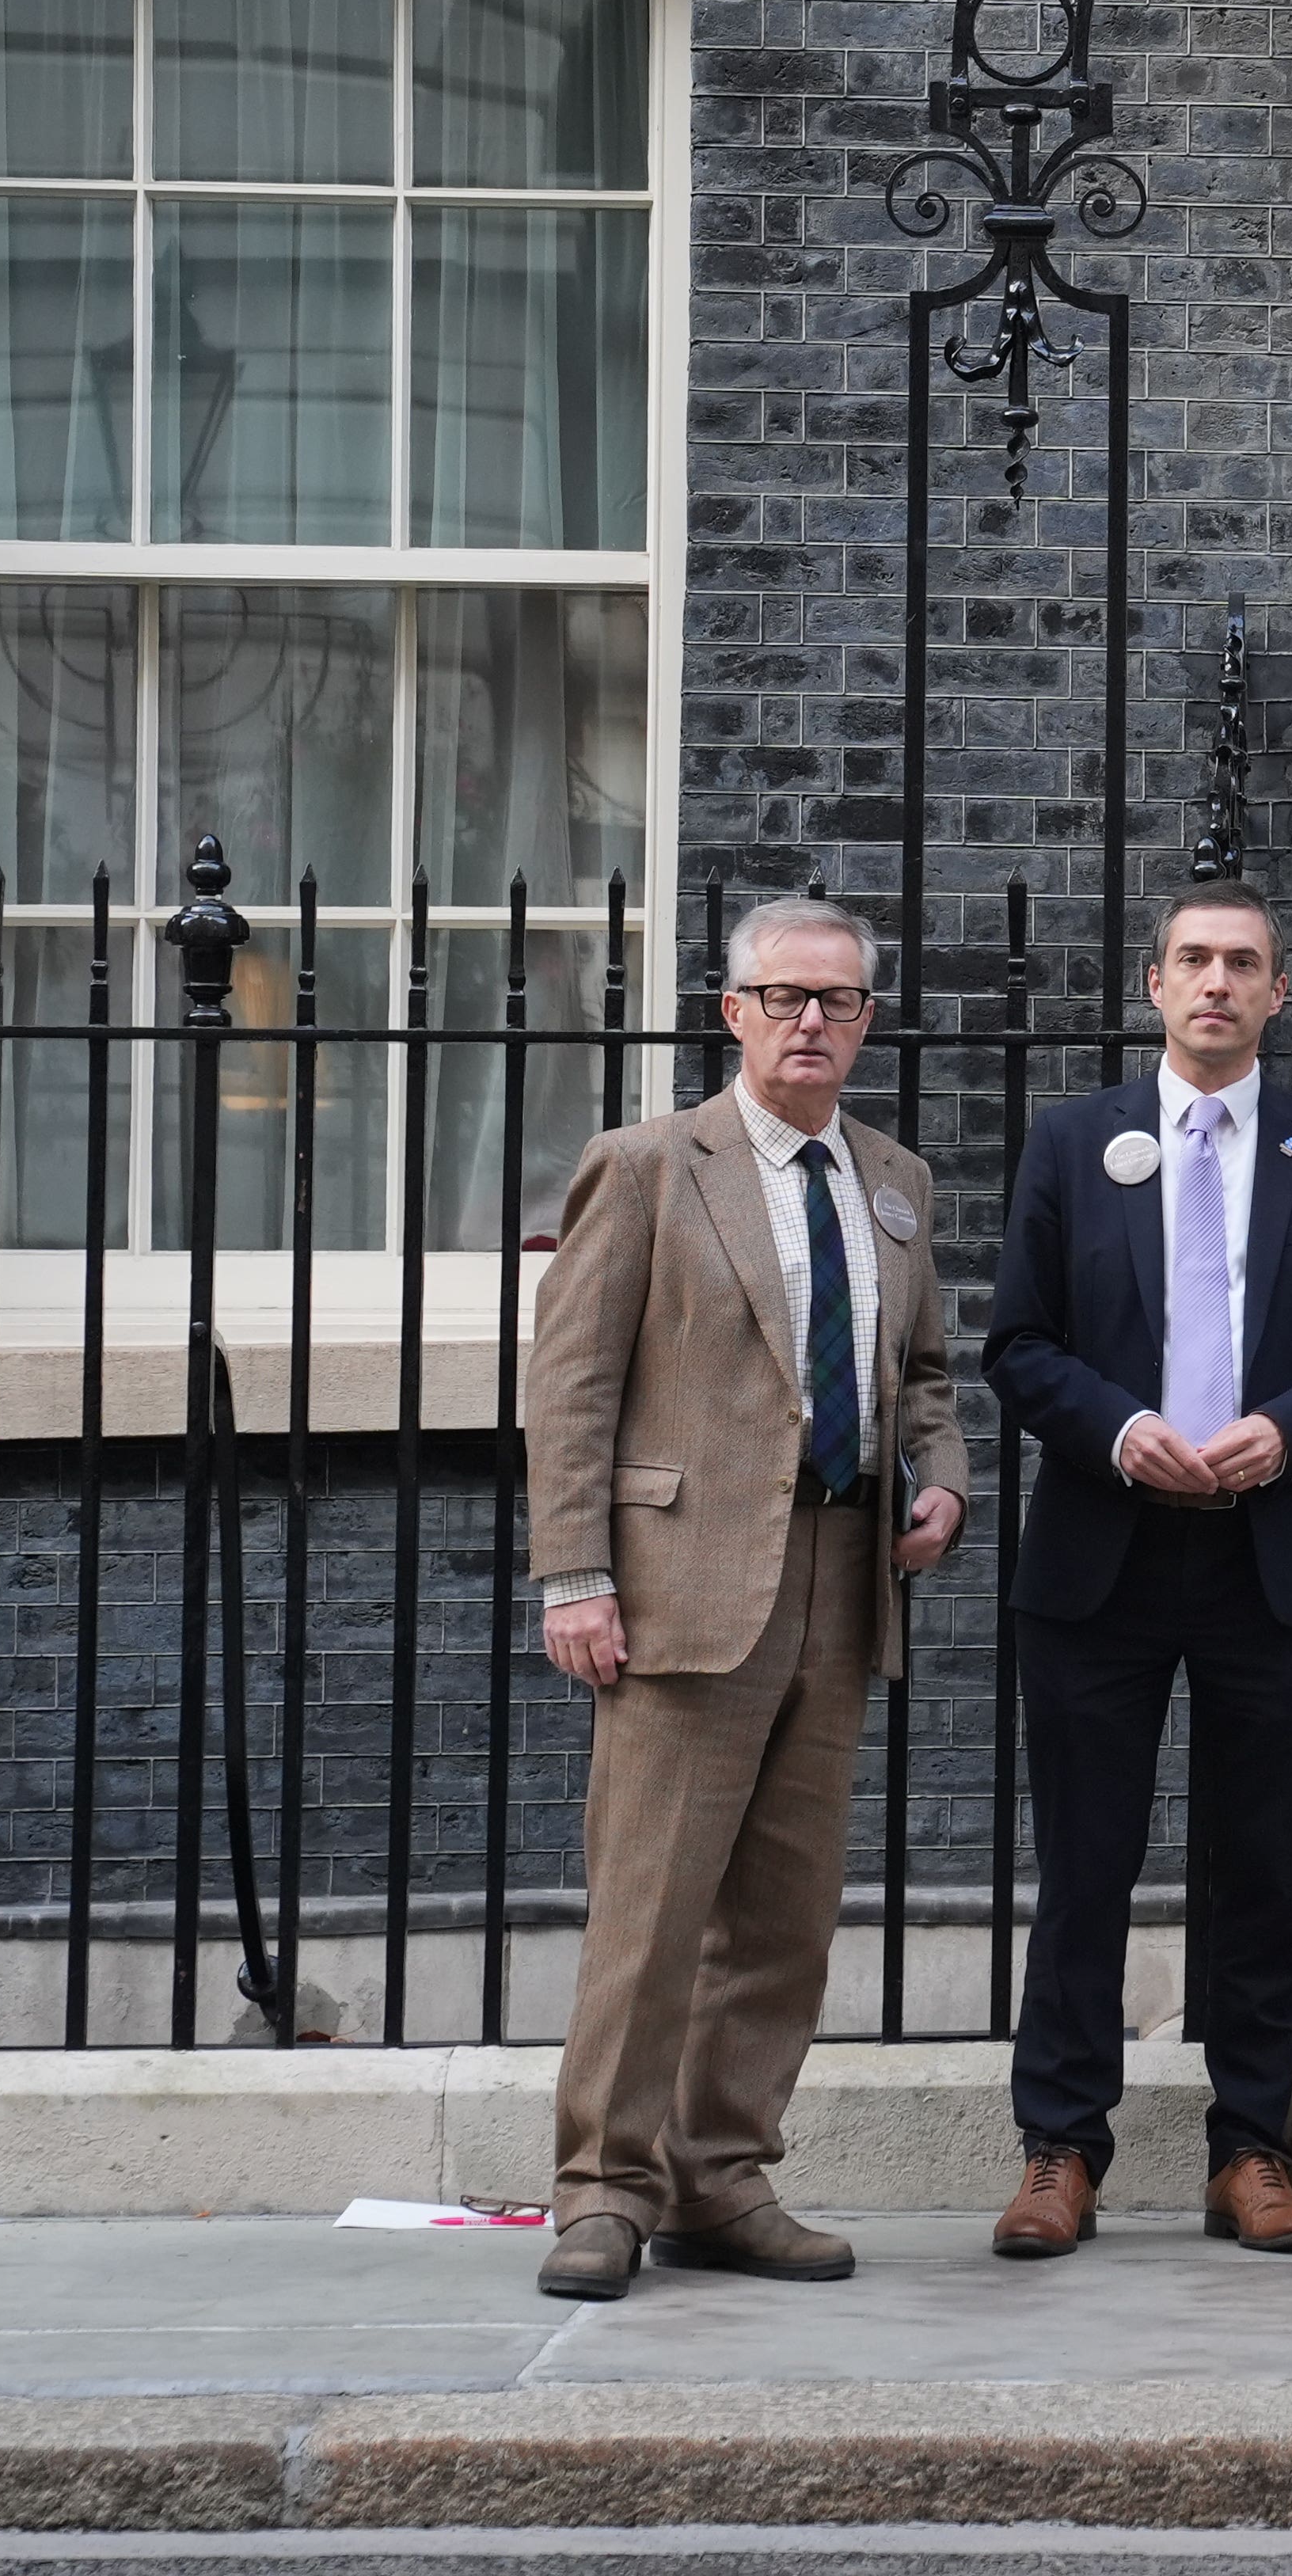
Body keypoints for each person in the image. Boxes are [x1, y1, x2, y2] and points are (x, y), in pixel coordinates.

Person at [521, 895, 970, 2303]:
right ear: (732, 1014)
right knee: (651, 1910)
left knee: (783, 1916)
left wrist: (942, 1479)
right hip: (679, 1589)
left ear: (868, 1021)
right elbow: (573, 1387)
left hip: (838, 1585)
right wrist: (577, 1576)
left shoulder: (893, 1180)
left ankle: (723, 2173)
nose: (813, 1022)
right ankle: (604, 2188)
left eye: (838, 1001)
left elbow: (929, 1377)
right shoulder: (651, 1167)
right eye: (785, 998)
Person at [986, 881, 1292, 2260]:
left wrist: (1287, 1433)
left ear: (1279, 995)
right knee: (1087, 1866)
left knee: (1255, 1874)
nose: (1218, 982)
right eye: (1195, 961)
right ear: (1154, 984)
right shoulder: (1075, 1141)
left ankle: (1250, 2152)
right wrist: (1121, 1432)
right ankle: (1063, 2151)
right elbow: (1020, 1345)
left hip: (1270, 1557)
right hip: (1102, 1562)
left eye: (1245, 963)